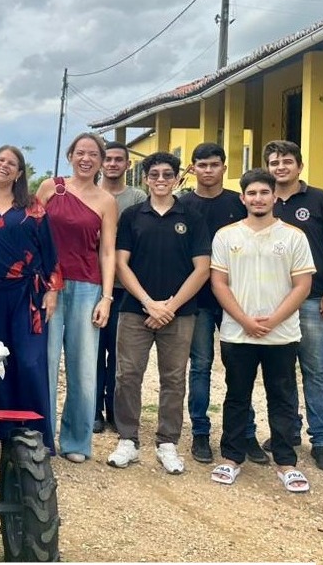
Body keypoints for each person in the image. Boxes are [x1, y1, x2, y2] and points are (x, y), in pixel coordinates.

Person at [209, 168, 315, 492]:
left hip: (281, 334)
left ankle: (286, 463)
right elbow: (219, 283)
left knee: (281, 397)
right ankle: (231, 458)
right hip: (237, 332)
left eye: (264, 193)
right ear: (243, 198)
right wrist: (244, 320)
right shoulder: (226, 236)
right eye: (252, 193)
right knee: (237, 396)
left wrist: (273, 320)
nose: (258, 198)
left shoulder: (293, 236)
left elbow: (302, 285)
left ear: (274, 197)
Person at [108, 152, 210, 475]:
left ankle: (167, 443)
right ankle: (127, 440)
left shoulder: (192, 217)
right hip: (135, 310)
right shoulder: (132, 215)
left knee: (174, 378)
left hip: (180, 313)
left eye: (168, 174)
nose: (161, 180)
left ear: (177, 178)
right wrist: (149, 303)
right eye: (154, 174)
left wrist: (170, 306)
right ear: (146, 178)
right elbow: (120, 263)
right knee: (127, 375)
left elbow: (202, 268)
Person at [0, 145, 61, 449]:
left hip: (26, 294)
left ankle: (35, 434)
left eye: (12, 163)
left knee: (30, 361)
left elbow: (49, 250)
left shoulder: (32, 206)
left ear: (19, 173)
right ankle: (0, 432)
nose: (4, 165)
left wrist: (52, 290)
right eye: (0, 160)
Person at [263, 140, 323, 471]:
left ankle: (322, 439)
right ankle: (288, 432)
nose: (280, 167)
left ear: (299, 166)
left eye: (287, 161)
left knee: (316, 370)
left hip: (313, 300)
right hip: (275, 302)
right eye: (274, 162)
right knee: (280, 371)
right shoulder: (263, 199)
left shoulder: (319, 200)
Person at [35, 132, 117, 462]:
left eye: (93, 154)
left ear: (101, 161)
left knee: (83, 366)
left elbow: (107, 252)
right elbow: (32, 234)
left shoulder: (106, 201)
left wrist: (106, 297)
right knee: (46, 361)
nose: (86, 159)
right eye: (80, 152)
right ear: (70, 156)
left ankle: (76, 441)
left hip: (87, 286)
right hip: (48, 285)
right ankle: (42, 436)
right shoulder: (49, 188)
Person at [178, 143, 259, 465]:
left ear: (224, 167)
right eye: (202, 165)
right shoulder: (183, 204)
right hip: (196, 301)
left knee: (240, 367)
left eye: (214, 164)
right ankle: (200, 431)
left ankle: (246, 432)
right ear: (193, 168)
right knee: (200, 366)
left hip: (236, 299)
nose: (208, 170)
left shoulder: (238, 203)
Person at [93, 141, 146, 434]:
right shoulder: (90, 193)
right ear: (101, 163)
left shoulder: (137, 198)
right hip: (93, 284)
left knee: (119, 354)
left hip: (125, 289)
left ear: (127, 164)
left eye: (118, 160)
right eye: (108, 159)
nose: (112, 164)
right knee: (93, 351)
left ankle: (115, 409)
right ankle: (93, 410)